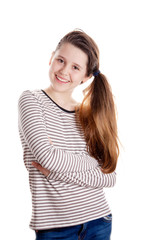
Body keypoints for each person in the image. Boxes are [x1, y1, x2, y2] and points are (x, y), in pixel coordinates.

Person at [18, 30, 119, 240]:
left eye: (75, 67)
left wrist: (55, 171)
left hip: (98, 221)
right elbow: (47, 158)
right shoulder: (31, 101)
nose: (64, 71)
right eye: (60, 60)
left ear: (86, 77)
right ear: (51, 57)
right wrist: (92, 162)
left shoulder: (88, 114)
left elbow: (109, 177)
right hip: (56, 229)